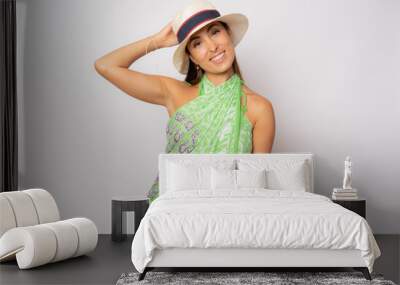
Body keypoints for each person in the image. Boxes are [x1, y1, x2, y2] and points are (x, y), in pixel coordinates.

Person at [94, 0, 275, 204]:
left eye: (215, 32)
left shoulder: (260, 108)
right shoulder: (174, 93)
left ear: (229, 35)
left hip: (229, 216)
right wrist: (156, 41)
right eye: (197, 43)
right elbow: (105, 66)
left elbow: (257, 186)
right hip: (173, 213)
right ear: (193, 58)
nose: (212, 46)